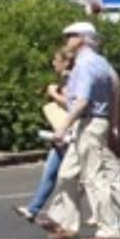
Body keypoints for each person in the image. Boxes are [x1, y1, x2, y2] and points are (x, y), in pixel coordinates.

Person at [37, 22, 120, 239]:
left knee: (94, 177)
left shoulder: (85, 65)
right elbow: (115, 92)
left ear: (82, 39)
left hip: (89, 122)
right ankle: (66, 224)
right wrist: (114, 127)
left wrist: (63, 127)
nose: (66, 40)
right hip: (96, 122)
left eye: (70, 36)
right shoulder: (101, 63)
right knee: (67, 174)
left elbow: (82, 101)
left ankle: (109, 229)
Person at [13, 48, 72, 224]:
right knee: (50, 173)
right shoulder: (64, 79)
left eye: (56, 60)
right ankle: (33, 209)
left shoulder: (69, 79)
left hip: (68, 134)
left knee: (79, 179)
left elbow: (71, 103)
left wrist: (53, 94)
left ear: (65, 62)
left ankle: (98, 216)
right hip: (60, 135)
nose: (53, 63)